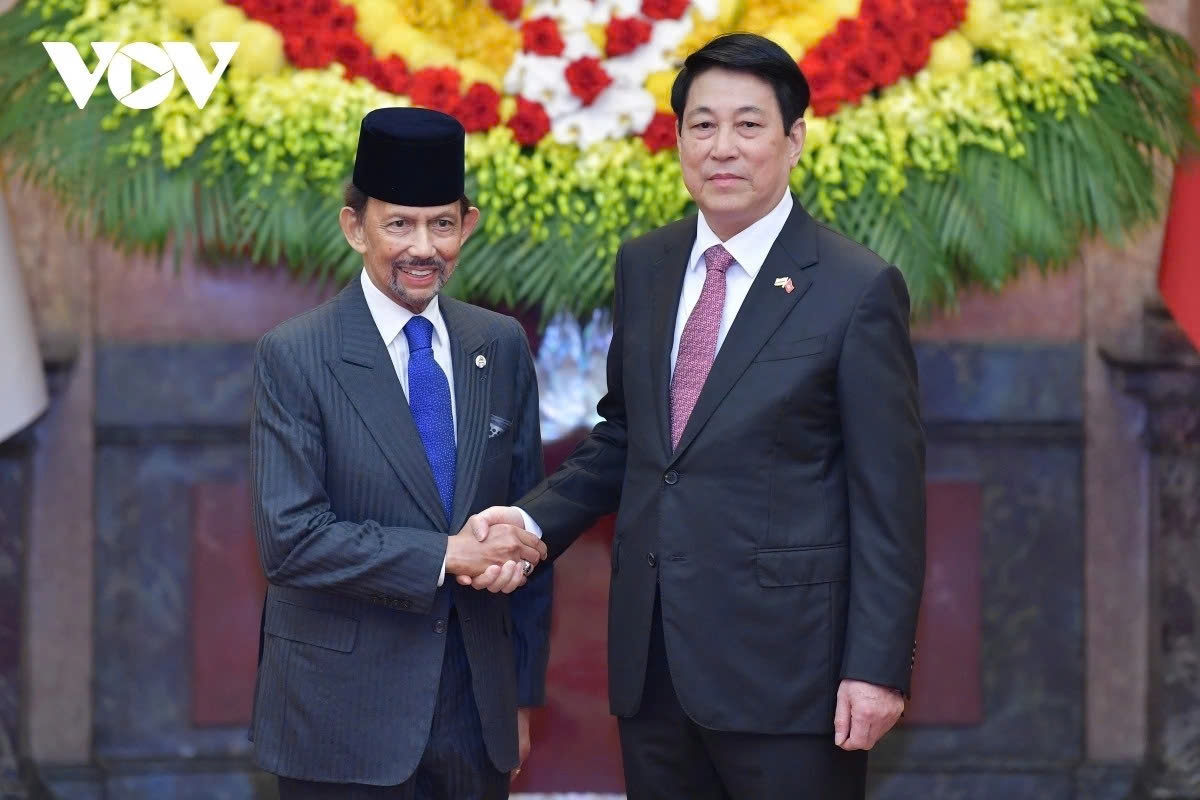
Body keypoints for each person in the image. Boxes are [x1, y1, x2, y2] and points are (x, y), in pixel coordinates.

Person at [468, 33, 926, 799]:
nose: (723, 147)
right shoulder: (646, 265)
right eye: (703, 125)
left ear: (795, 140)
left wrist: (875, 670)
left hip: (792, 680)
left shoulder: (855, 289)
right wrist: (532, 524)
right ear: (677, 139)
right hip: (654, 670)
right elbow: (629, 440)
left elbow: (890, 502)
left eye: (749, 125)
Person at [248, 106, 553, 800]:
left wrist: (521, 695)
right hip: (340, 716)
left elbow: (531, 524)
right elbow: (290, 541)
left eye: (442, 224)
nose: (425, 247)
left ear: (467, 226)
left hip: (475, 714)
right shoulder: (296, 355)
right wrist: (447, 555)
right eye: (400, 224)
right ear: (355, 228)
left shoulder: (497, 345)